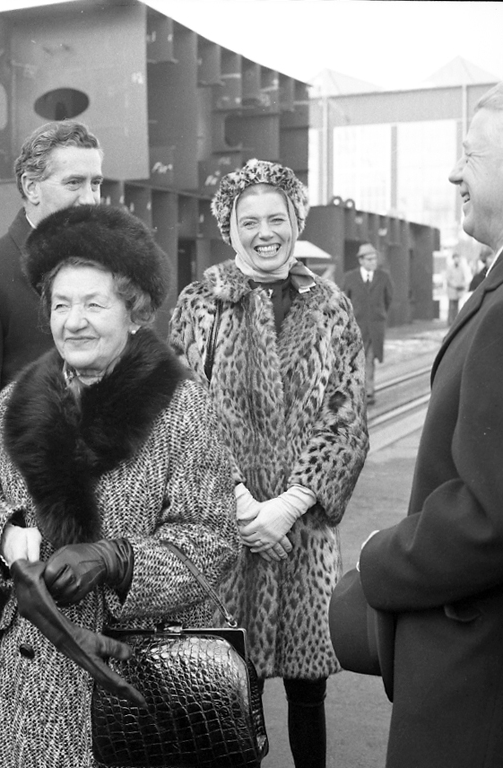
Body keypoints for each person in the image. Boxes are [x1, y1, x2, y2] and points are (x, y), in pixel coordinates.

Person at [0, 203, 239, 767]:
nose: (73, 321)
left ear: (135, 314)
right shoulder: (15, 403)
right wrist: (9, 541)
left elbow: (212, 542)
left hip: (136, 687)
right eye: (61, 305)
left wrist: (116, 560)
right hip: (32, 687)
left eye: (93, 304)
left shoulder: (182, 408)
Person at [169, 158, 369, 768]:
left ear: (296, 221)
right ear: (229, 227)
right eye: (249, 220)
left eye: (276, 218)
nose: (264, 232)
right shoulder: (201, 302)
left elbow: (346, 415)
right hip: (225, 534)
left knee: (310, 694)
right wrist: (242, 506)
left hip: (304, 534)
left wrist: (290, 505)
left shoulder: (331, 306)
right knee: (235, 690)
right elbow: (182, 412)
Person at [0, 119, 104, 752]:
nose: (91, 197)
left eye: (97, 183)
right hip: (16, 567)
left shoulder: (109, 274)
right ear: (31, 187)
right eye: (74, 182)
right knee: (16, 739)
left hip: (97, 560)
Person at [355, 81, 503, 768]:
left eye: (470, 155)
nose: (452, 173)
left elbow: (489, 518)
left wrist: (378, 559)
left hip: (474, 677)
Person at [341, 242, 394, 404]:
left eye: (375, 259)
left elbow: (388, 299)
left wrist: (379, 316)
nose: (373, 262)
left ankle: (368, 392)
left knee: (370, 358)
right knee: (355, 360)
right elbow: (343, 302)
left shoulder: (383, 277)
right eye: (369, 259)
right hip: (355, 327)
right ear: (361, 260)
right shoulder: (350, 278)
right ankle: (356, 392)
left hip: (375, 327)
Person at [444, 250, 470, 325]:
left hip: (458, 291)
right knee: (451, 306)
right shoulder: (450, 268)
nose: (457, 259)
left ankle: (454, 321)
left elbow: (464, 277)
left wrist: (462, 284)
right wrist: (455, 285)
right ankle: (450, 321)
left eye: (458, 257)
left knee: (456, 306)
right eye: (455, 258)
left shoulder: (461, 268)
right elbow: (448, 279)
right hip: (452, 290)